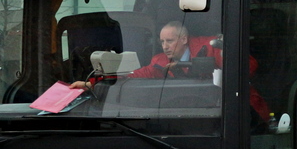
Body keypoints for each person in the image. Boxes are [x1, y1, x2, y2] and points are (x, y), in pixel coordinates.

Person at [71, 21, 269, 119]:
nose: (165, 46)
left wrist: (224, 61)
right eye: (162, 42)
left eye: (170, 41)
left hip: (238, 113)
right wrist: (91, 84)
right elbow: (132, 77)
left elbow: (250, 67)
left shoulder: (212, 47)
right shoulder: (159, 61)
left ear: (184, 39)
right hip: (194, 114)